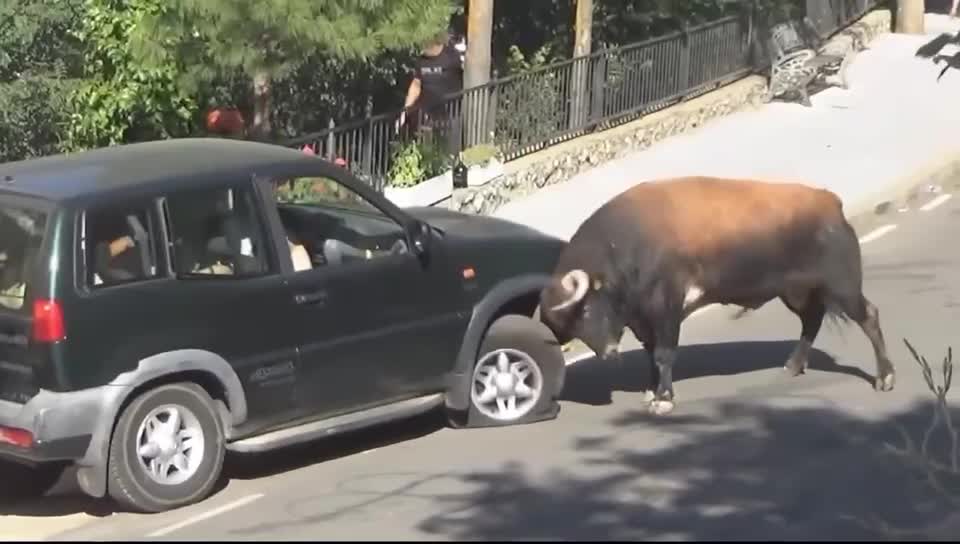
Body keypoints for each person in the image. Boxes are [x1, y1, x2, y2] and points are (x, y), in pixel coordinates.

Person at [398, 30, 464, 150]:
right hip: (428, 115)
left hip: (450, 112)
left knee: (450, 149)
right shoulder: (421, 61)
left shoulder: (451, 56)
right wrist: (406, 110)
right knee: (428, 148)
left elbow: (463, 74)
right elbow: (416, 85)